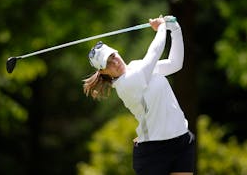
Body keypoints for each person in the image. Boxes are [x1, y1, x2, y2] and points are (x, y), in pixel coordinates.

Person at [83, 15, 195, 175]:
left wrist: (176, 30)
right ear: (103, 72)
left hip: (181, 139)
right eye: (107, 63)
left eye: (112, 56)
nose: (114, 62)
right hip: (154, 151)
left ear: (116, 52)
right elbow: (154, 52)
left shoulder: (137, 66)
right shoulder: (126, 84)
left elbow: (175, 64)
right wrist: (162, 27)